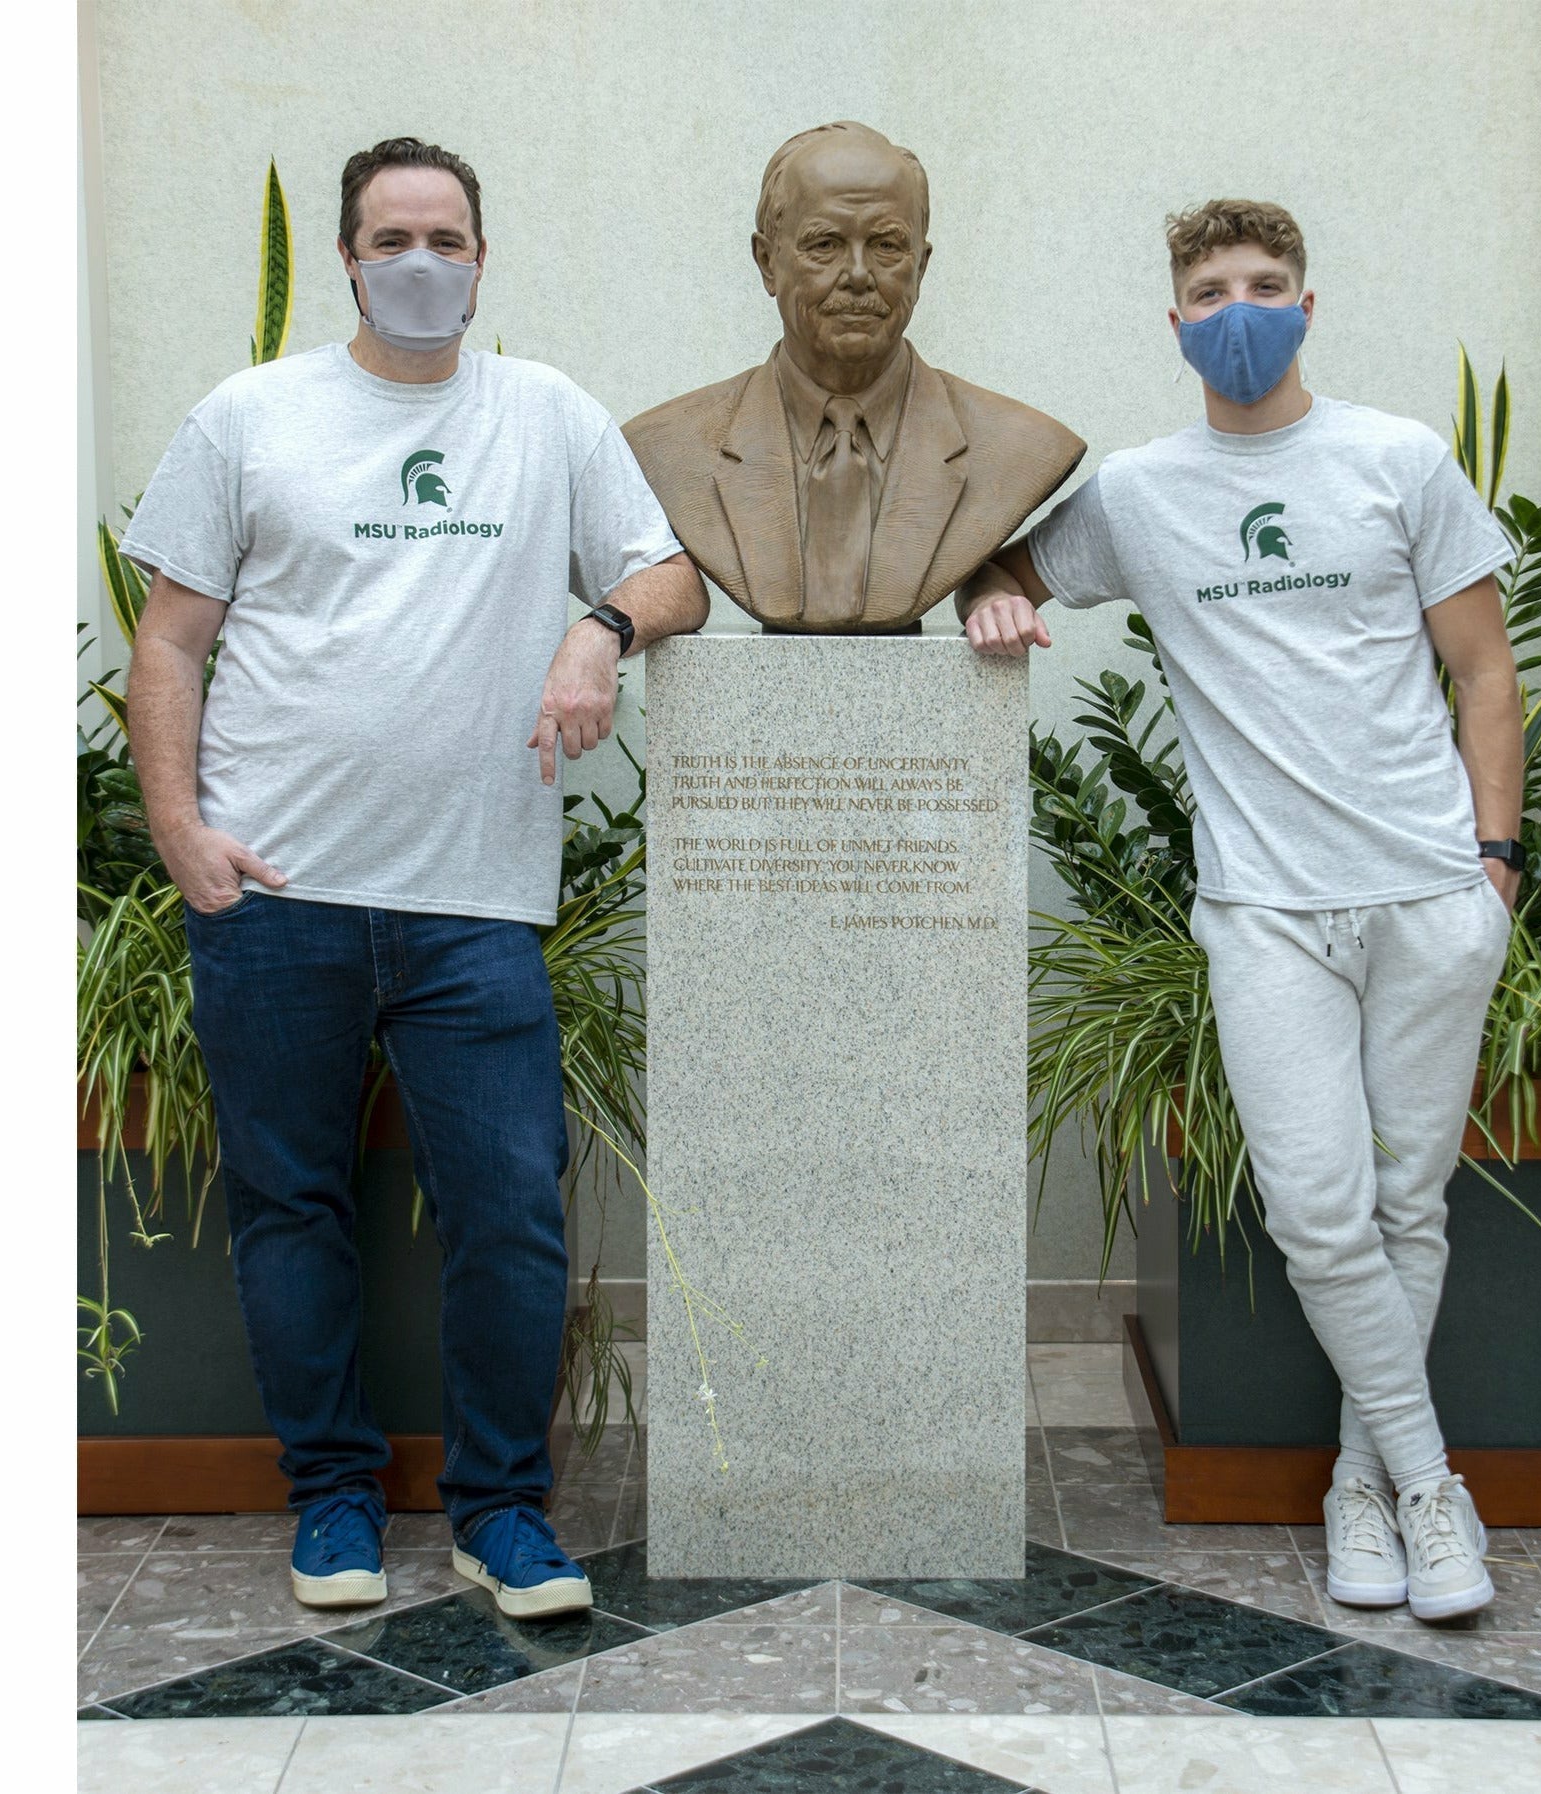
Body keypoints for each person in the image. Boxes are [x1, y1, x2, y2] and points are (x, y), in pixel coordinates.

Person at [122, 136, 708, 1620]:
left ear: (483, 257)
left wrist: (598, 634)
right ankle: (331, 1497)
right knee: (288, 1203)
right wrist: (183, 831)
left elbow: (673, 573)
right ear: (346, 259)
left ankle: (500, 1511)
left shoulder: (547, 412)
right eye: (391, 238)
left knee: (508, 1210)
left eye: (445, 236)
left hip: (472, 907)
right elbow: (171, 638)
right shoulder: (251, 417)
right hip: (277, 897)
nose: (420, 261)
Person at [960, 199, 1525, 1623]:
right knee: (1318, 1209)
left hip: (1422, 894)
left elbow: (1483, 672)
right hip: (1264, 910)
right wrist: (988, 599)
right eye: (1209, 288)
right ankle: (1432, 1481)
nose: (1238, 306)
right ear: (1173, 323)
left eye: (1263, 282)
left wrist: (1494, 864)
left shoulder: (1395, 459)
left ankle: (1365, 1487)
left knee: (1406, 1204)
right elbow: (1001, 566)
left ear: (1306, 303)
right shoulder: (1142, 493)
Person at [623, 120, 1082, 633]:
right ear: (767, 262)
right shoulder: (666, 446)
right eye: (825, 244)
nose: (860, 274)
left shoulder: (1019, 445)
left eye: (887, 245)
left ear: (921, 266)